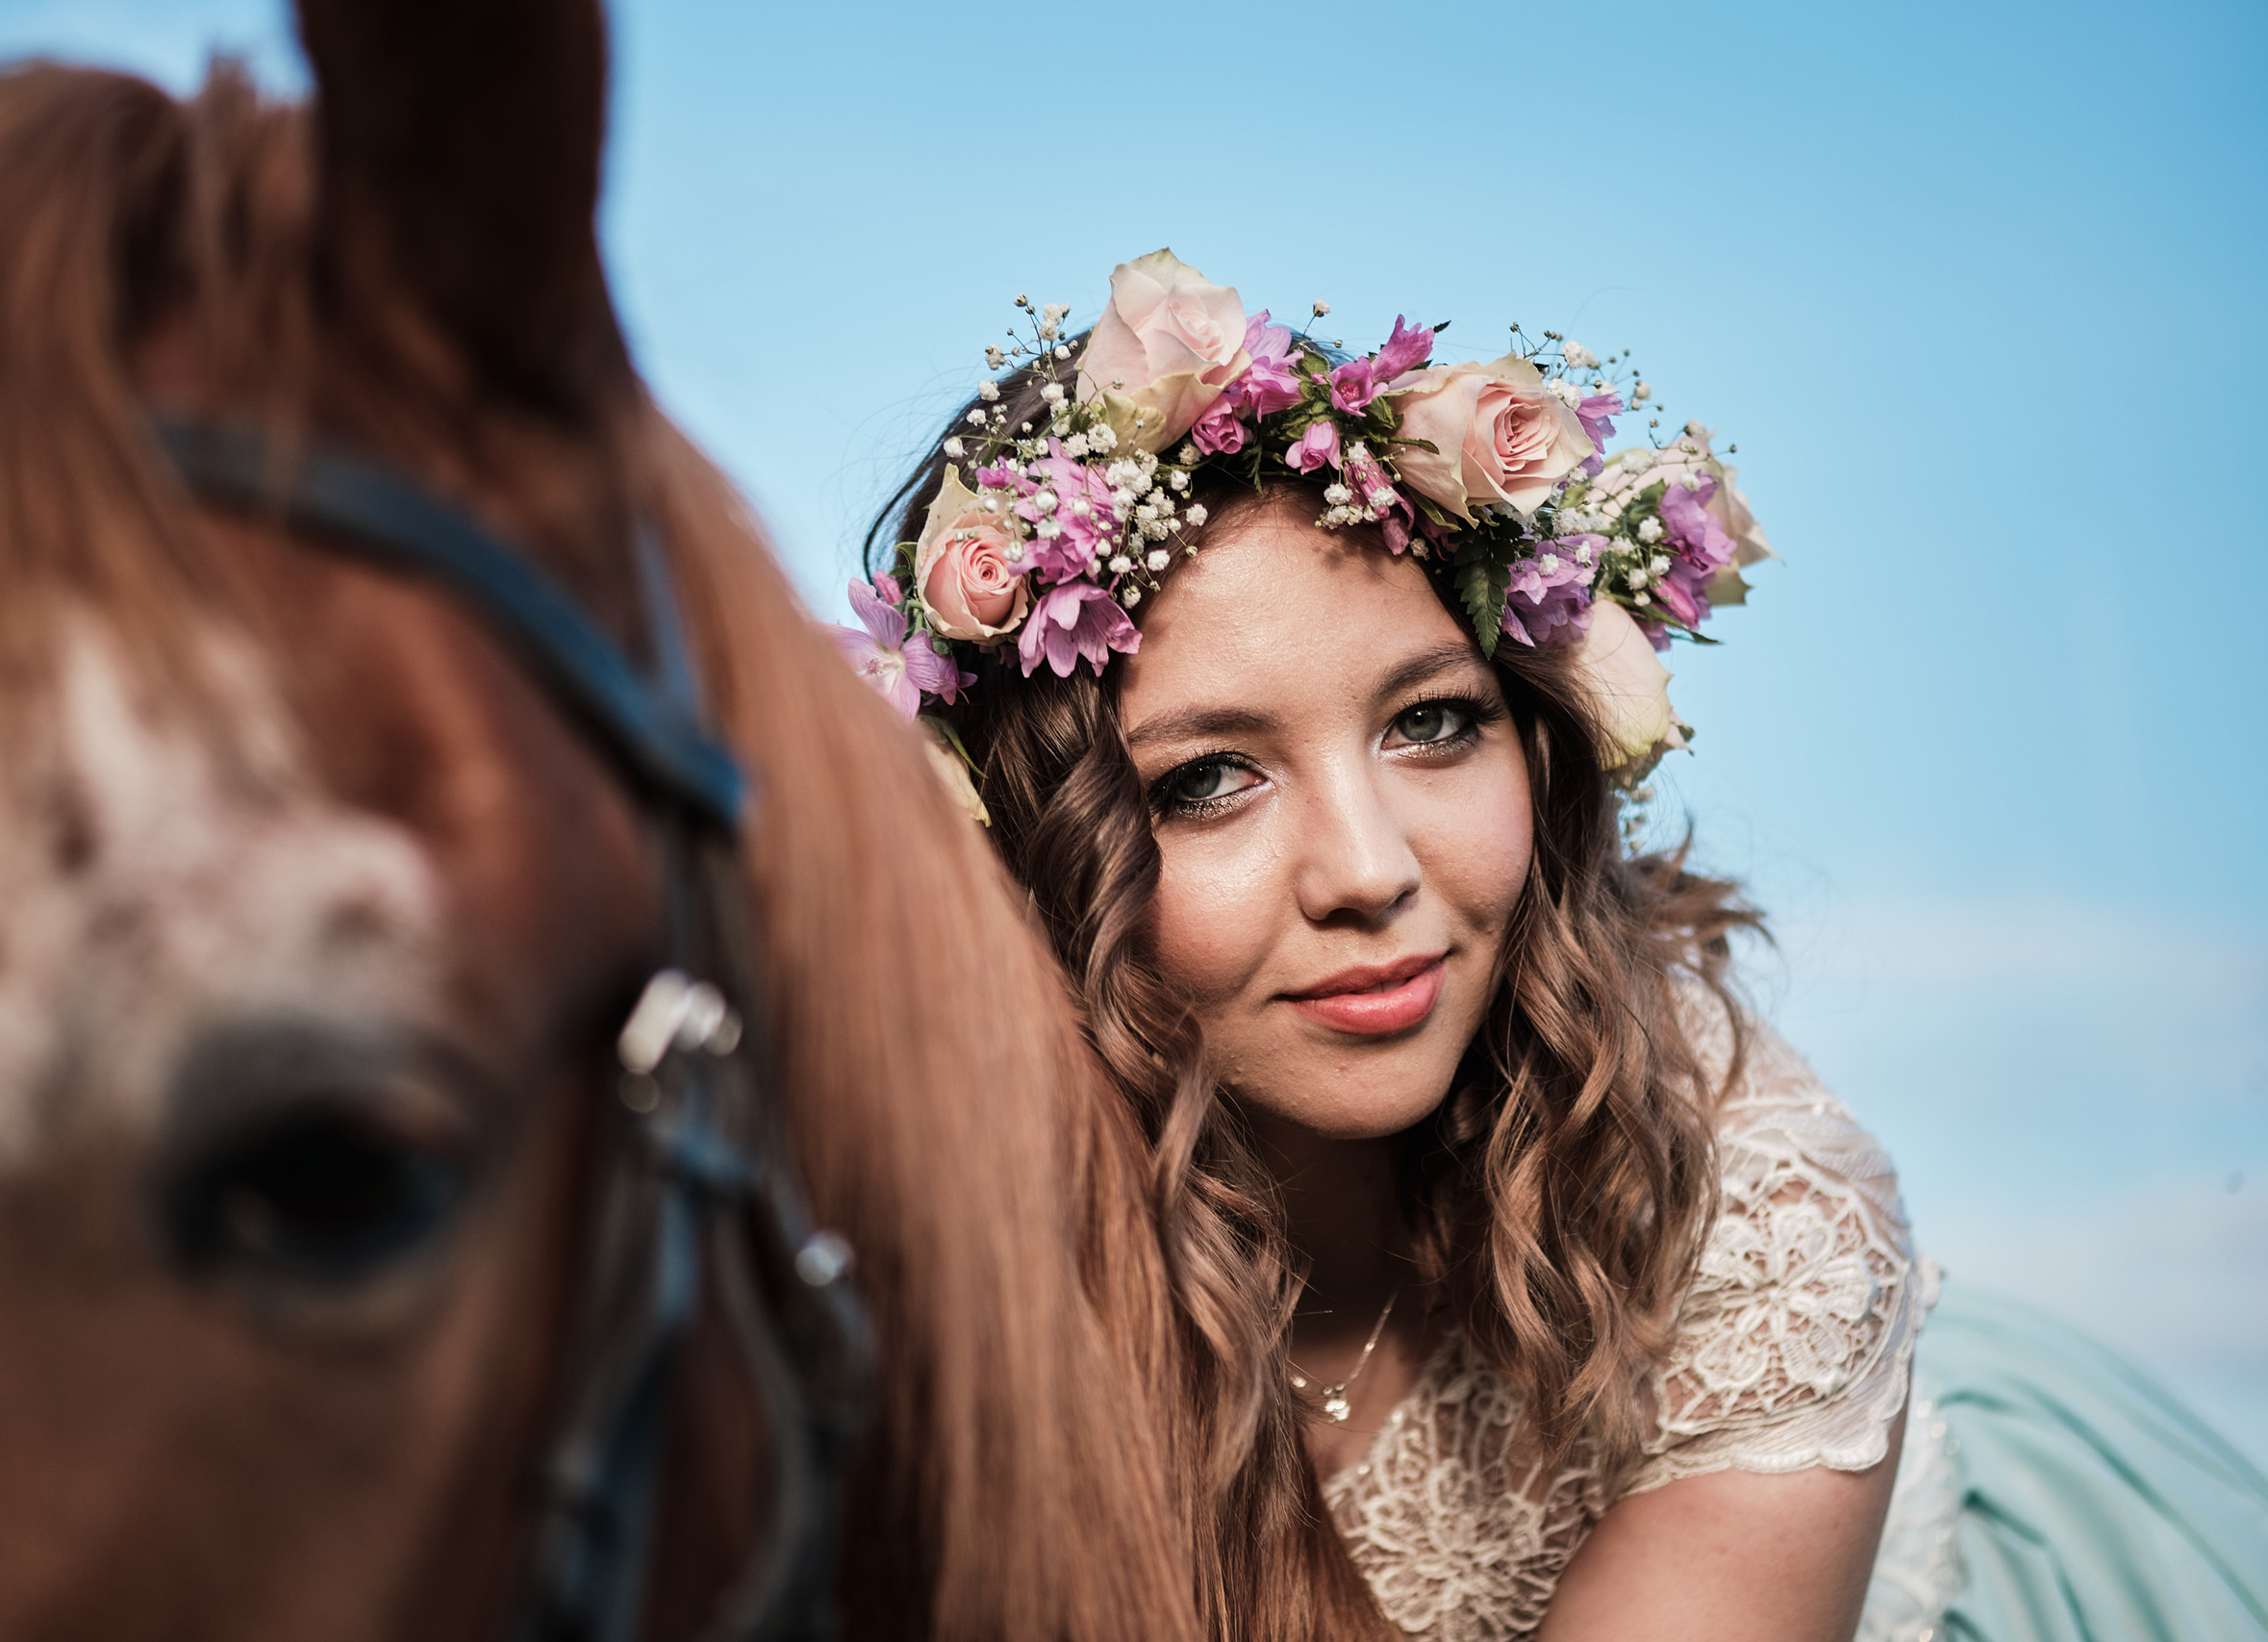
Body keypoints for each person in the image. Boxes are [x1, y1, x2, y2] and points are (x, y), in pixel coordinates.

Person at [840, 251, 2268, 1641]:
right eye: (1208, 780)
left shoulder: (1758, 1225)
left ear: (1538, 739)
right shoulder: (889, 1253)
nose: (1371, 872)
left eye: (1431, 723)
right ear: (1022, 858)